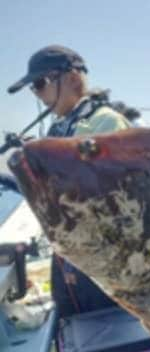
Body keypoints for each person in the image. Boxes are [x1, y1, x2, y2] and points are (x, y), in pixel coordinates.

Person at [7, 45, 132, 320]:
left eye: (40, 84)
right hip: (73, 262)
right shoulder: (61, 129)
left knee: (115, 347)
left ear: (73, 79)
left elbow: (120, 202)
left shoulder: (104, 124)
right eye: (33, 89)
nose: (38, 94)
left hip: (107, 269)